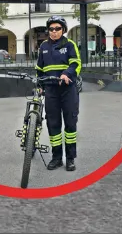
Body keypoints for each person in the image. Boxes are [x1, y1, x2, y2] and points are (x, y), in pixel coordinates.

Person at [36, 16, 81, 171]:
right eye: (51, 29)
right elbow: (39, 69)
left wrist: (67, 74)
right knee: (53, 125)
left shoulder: (69, 45)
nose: (54, 32)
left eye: (57, 29)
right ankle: (56, 158)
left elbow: (76, 63)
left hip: (67, 89)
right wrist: (40, 84)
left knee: (70, 124)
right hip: (51, 90)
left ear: (63, 30)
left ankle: (70, 159)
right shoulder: (43, 46)